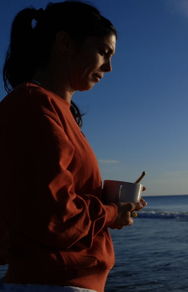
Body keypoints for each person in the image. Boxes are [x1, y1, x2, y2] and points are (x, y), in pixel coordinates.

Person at [0, 2, 146, 291]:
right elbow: (54, 217)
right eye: (103, 52)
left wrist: (108, 202)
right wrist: (111, 213)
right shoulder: (33, 105)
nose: (109, 66)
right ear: (65, 43)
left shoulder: (53, 108)